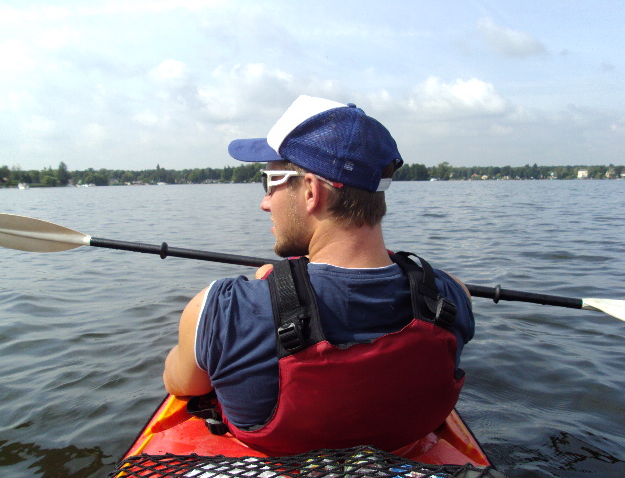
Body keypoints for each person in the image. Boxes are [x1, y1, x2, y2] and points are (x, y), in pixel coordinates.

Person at [163, 95, 474, 455]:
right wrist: (286, 282)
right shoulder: (453, 297)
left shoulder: (222, 310)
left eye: (270, 182)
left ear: (311, 191)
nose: (265, 202)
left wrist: (270, 290)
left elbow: (180, 382)